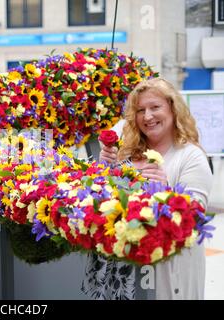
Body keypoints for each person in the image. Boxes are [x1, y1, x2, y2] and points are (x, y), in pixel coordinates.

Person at [81, 77, 213, 300]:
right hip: (127, 271)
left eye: (155, 107)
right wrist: (106, 169)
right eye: (141, 110)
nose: (148, 116)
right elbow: (108, 199)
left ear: (173, 108)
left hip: (169, 272)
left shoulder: (191, 157)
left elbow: (196, 217)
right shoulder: (129, 151)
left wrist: (166, 192)